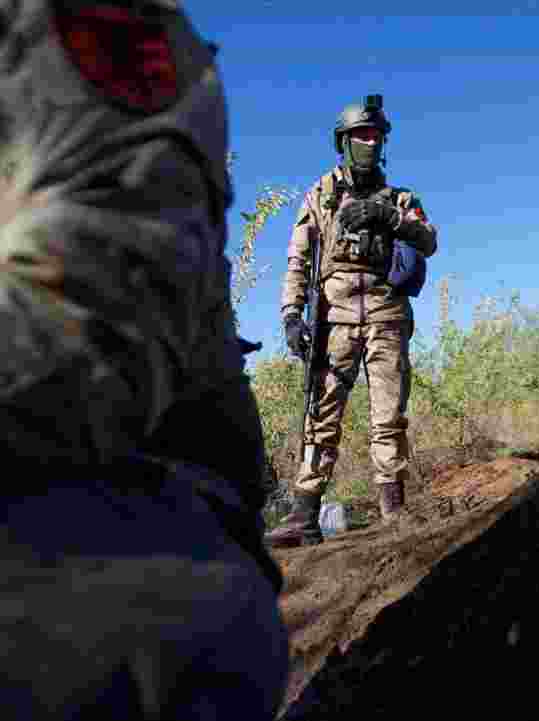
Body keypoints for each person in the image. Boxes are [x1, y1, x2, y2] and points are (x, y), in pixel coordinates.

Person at [0, 2, 287, 718]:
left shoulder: (84, 24)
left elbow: (99, 325)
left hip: (124, 490)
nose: (369, 146)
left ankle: (346, 506)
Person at [266, 94, 438, 547]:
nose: (369, 141)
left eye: (375, 134)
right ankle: (305, 516)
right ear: (343, 142)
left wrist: (388, 217)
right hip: (333, 318)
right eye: (360, 134)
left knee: (388, 417)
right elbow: (297, 261)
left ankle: (393, 513)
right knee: (320, 416)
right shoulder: (320, 194)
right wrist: (290, 315)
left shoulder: (400, 199)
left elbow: (429, 239)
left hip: (386, 315)